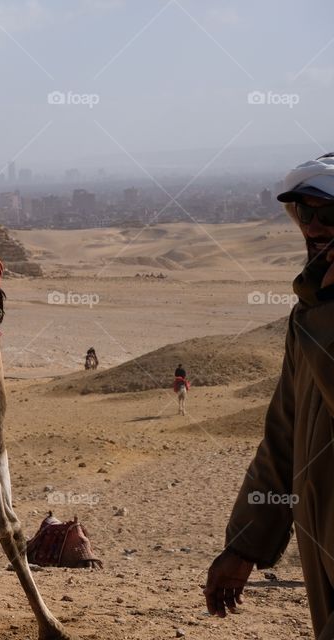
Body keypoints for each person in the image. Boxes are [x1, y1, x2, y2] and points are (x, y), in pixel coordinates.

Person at [204, 154, 334, 639]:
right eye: (305, 212)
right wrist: (244, 546)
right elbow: (283, 437)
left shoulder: (317, 316)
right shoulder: (311, 313)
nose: (316, 227)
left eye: (330, 213)